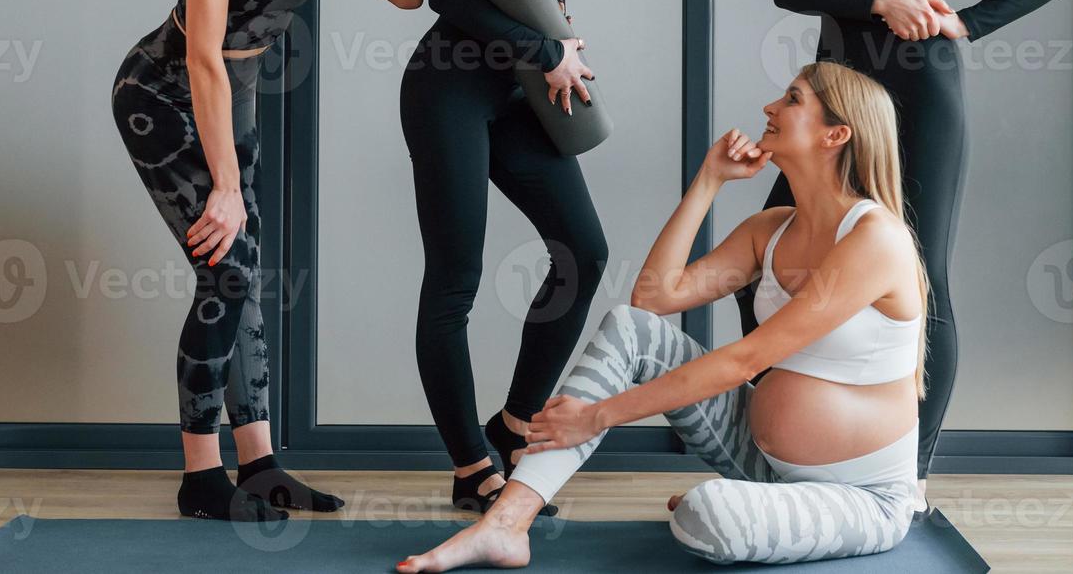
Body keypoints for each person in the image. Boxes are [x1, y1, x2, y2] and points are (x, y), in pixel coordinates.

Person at [736, 0, 1073, 513]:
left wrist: (961, 22)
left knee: (922, 284)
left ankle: (907, 479)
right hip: (827, 103)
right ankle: (765, 467)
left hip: (921, 102)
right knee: (771, 271)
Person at [396, 61, 930, 570]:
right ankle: (507, 524)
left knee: (710, 514)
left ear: (835, 135)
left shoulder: (875, 239)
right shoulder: (771, 229)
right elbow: (652, 299)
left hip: (863, 497)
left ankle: (742, 505)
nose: (770, 106)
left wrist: (599, 415)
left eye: (792, 99)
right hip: (763, 461)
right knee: (631, 331)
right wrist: (709, 180)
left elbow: (746, 360)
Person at [111, 0, 422, 521]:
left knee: (246, 276)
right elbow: (204, 58)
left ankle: (261, 467)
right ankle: (200, 477)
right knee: (228, 272)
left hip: (233, 100)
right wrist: (224, 185)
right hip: (165, 93)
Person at [400, 0, 607, 516]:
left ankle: (516, 423)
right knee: (455, 279)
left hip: (522, 86)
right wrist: (541, 46)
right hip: (451, 85)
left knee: (582, 251)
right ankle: (469, 466)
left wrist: (559, 39)